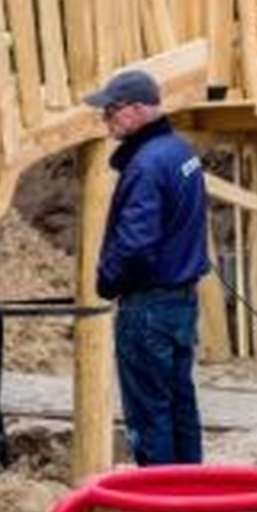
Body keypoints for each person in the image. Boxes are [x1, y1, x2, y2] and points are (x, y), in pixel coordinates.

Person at [84, 67, 211, 466]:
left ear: (138, 109)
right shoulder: (180, 151)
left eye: (111, 110)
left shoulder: (146, 165)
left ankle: (162, 507)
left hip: (148, 305)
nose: (105, 119)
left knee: (149, 413)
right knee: (179, 403)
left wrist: (106, 282)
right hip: (181, 300)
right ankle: (192, 493)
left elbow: (136, 244)